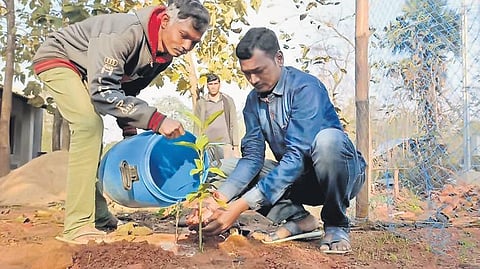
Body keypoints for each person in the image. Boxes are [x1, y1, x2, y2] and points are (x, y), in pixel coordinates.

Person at [32, 0, 210, 244]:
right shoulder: (125, 33)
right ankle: (77, 226)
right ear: (166, 21)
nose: (187, 46)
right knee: (88, 126)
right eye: (184, 35)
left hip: (89, 72)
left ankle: (100, 217)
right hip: (61, 58)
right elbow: (103, 91)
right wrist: (156, 119)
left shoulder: (163, 55)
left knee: (92, 132)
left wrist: (129, 126)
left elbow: (127, 89)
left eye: (195, 42)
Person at [187, 27, 366, 254]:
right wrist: (219, 200)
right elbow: (252, 159)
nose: (253, 79)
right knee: (227, 167)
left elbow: (297, 158)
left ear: (279, 58)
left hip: (339, 175)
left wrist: (238, 207)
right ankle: (300, 220)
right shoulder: (253, 103)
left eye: (259, 70)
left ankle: (336, 223)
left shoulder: (305, 88)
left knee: (328, 141)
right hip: (300, 182)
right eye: (246, 73)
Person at [194, 73, 240, 159]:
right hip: (207, 145)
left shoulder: (227, 100)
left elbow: (233, 123)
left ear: (219, 84)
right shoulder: (201, 102)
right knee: (209, 171)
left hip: (226, 144)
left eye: (215, 84)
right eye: (210, 84)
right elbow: (197, 126)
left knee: (227, 170)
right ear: (207, 86)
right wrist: (197, 147)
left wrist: (236, 146)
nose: (213, 86)